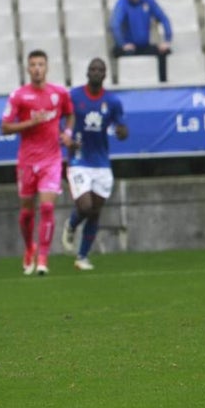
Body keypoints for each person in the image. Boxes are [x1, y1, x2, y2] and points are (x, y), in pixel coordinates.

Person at [0, 50, 75, 275]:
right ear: (27, 68)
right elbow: (5, 127)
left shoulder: (59, 93)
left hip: (51, 159)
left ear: (47, 67)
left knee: (47, 206)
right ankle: (29, 247)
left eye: (41, 64)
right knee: (26, 213)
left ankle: (43, 257)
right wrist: (31, 123)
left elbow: (70, 114)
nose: (37, 69)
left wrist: (68, 132)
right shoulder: (18, 96)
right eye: (33, 65)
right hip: (27, 161)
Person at [60, 58, 128, 271]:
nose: (96, 72)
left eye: (100, 70)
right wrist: (66, 137)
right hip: (79, 159)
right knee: (85, 206)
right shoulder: (75, 96)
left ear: (105, 74)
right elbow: (62, 120)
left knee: (95, 211)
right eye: (93, 69)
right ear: (87, 73)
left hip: (101, 162)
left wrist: (121, 132)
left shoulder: (113, 101)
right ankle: (71, 225)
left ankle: (82, 256)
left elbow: (123, 129)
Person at [110, 0, 173, 83]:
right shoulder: (122, 3)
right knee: (119, 52)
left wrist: (167, 40)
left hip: (144, 46)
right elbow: (115, 25)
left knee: (164, 51)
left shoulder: (147, 0)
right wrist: (122, 44)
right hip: (129, 47)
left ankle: (163, 84)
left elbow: (164, 19)